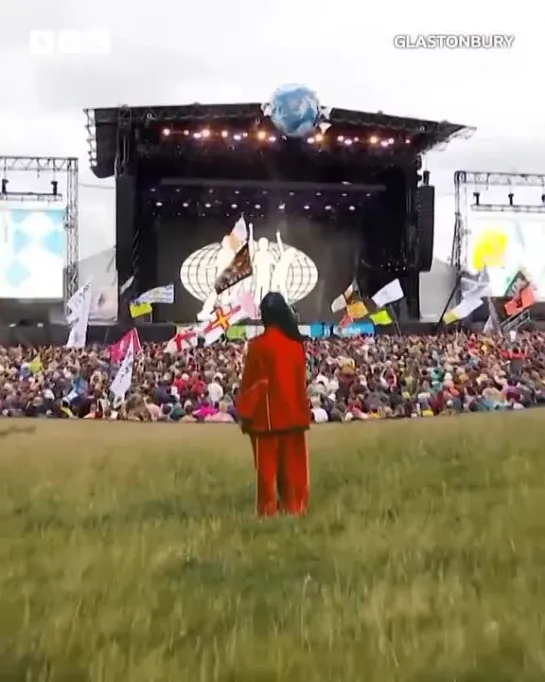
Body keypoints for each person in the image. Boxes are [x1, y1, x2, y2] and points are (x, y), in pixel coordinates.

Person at [237, 292, 310, 516]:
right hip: (294, 414)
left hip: (266, 417)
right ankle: (295, 506)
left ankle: (268, 509)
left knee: (266, 471)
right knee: (294, 468)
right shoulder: (296, 344)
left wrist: (245, 406)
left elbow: (250, 380)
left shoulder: (258, 345)